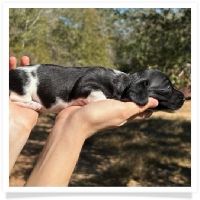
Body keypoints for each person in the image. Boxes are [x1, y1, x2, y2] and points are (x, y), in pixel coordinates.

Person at [9, 56, 158, 186]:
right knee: (22, 82)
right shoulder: (98, 82)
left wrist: (12, 124)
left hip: (31, 83)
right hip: (27, 81)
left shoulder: (101, 79)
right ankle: (17, 98)